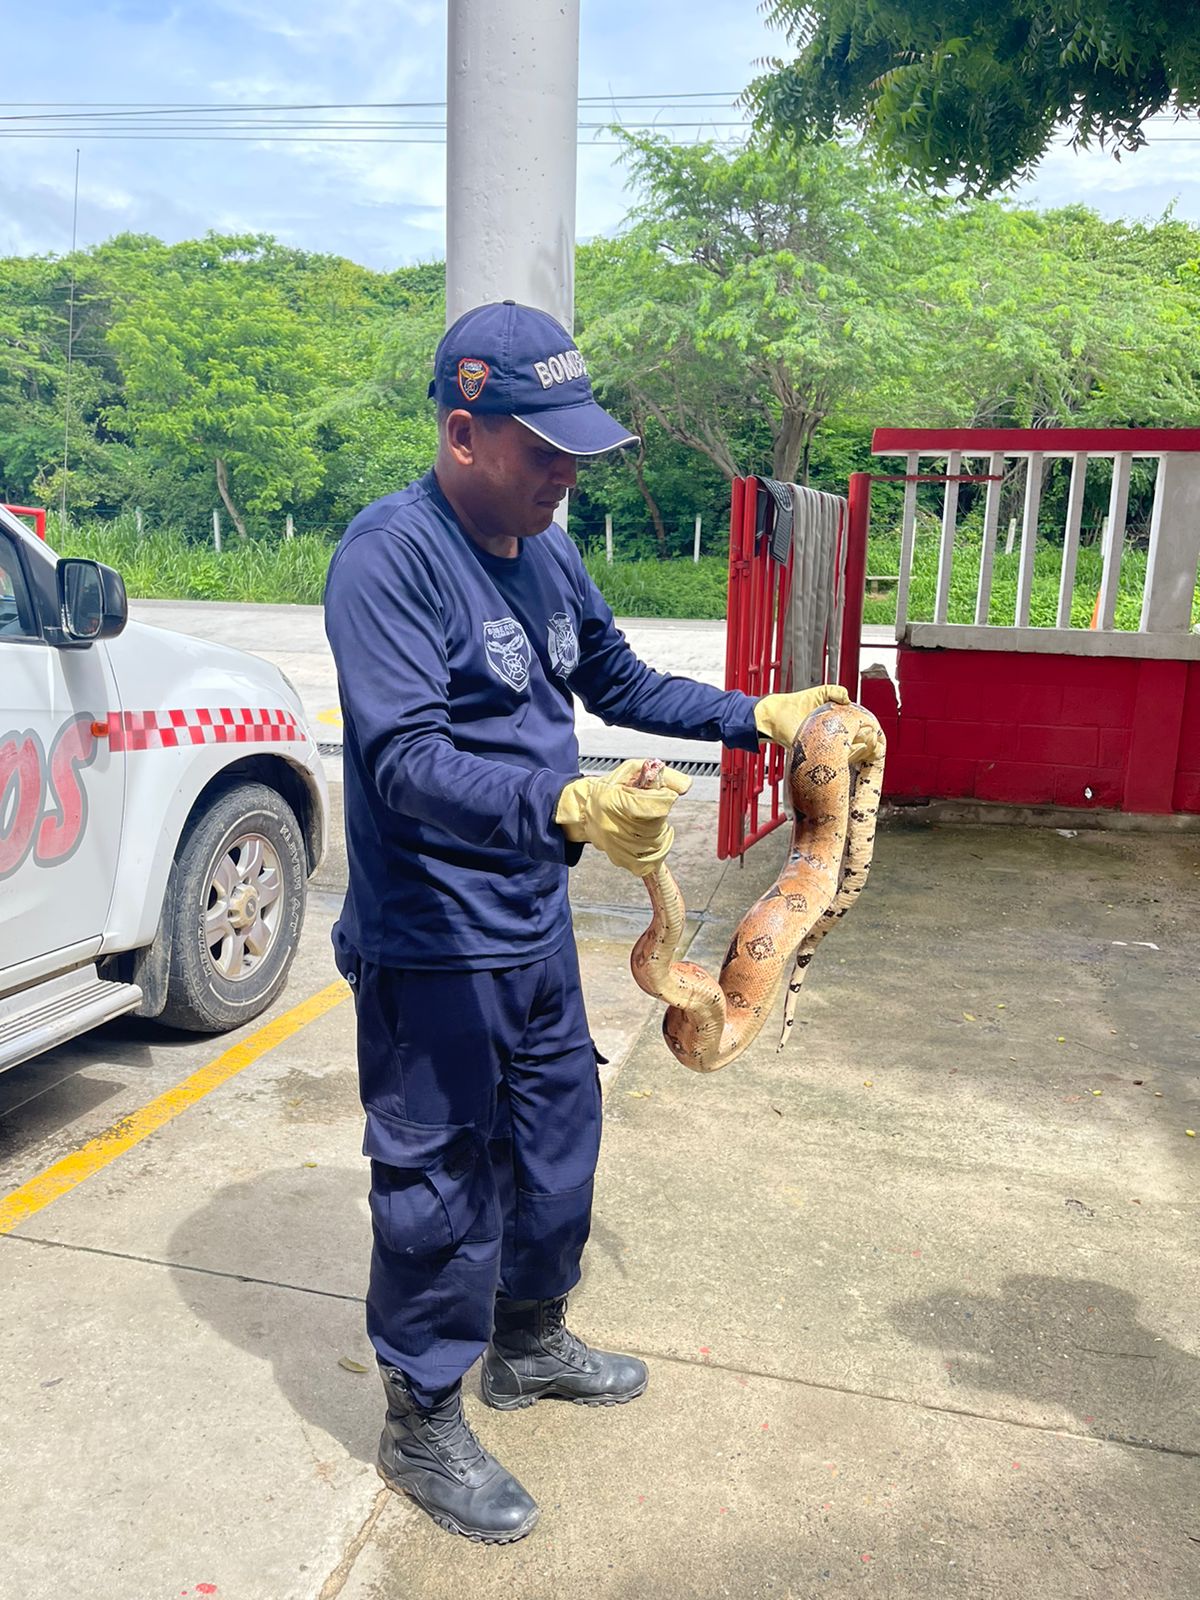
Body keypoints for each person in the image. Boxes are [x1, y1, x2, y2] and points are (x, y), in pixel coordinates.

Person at [323, 299, 863, 1545]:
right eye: (542, 448)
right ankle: (422, 1414)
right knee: (438, 1184)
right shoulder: (388, 557)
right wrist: (565, 799)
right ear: (463, 432)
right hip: (432, 939)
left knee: (559, 1143)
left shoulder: (546, 543)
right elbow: (403, 762)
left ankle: (527, 1340)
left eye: (576, 448)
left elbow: (612, 674)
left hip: (529, 924)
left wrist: (756, 716)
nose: (566, 473)